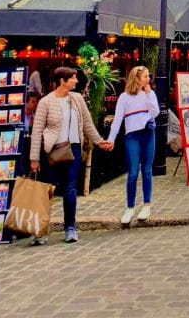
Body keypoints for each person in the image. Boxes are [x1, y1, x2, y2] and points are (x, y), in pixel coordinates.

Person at [30, 66, 112, 244]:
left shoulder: (77, 99)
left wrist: (99, 141)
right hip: (52, 150)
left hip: (73, 149)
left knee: (70, 189)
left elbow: (87, 124)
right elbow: (37, 132)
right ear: (62, 81)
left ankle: (70, 227)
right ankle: (41, 231)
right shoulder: (46, 102)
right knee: (47, 191)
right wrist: (34, 158)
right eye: (73, 78)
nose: (76, 81)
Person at [107, 66, 159, 226]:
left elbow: (155, 112)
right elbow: (117, 120)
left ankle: (146, 205)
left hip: (148, 134)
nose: (148, 79)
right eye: (145, 77)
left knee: (147, 170)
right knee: (133, 172)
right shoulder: (124, 97)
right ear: (137, 78)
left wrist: (149, 93)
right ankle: (130, 207)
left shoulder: (149, 94)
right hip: (132, 136)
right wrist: (111, 139)